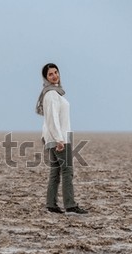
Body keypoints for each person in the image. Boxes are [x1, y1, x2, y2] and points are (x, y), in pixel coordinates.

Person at [36, 63, 88, 214]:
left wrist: (48, 138)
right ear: (45, 77)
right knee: (67, 171)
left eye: (56, 72)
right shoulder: (51, 94)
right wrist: (59, 139)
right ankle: (70, 205)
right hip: (59, 138)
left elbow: (48, 120)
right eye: (50, 74)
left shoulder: (54, 93)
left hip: (53, 137)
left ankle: (51, 205)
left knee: (55, 172)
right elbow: (52, 118)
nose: (54, 76)